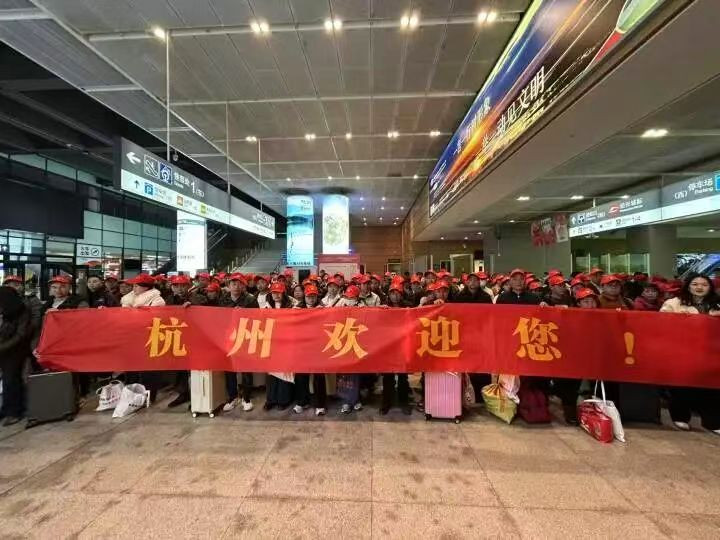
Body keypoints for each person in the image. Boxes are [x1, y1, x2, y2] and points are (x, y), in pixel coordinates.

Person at [660, 273, 720, 434]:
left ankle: (712, 422)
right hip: (682, 351)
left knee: (713, 387)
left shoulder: (717, 304)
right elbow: (661, 322)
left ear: (710, 287)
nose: (699, 287)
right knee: (682, 385)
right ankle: (680, 416)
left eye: (704, 284)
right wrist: (677, 320)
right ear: (688, 286)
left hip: (711, 352)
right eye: (695, 284)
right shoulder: (674, 303)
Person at [165, 274, 206, 408]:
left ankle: (197, 396)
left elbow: (206, 312)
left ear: (188, 286)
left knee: (195, 368)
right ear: (172, 287)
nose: (179, 288)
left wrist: (192, 307)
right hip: (176, 336)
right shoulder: (169, 300)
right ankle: (183, 393)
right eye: (176, 286)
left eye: (182, 286)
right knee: (179, 367)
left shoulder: (198, 298)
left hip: (194, 337)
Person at [220, 273, 258, 413]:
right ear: (228, 286)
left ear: (243, 286)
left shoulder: (250, 300)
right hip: (228, 338)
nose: (236, 286)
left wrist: (245, 314)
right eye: (233, 284)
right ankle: (232, 397)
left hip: (245, 338)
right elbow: (216, 317)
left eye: (239, 284)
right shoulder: (223, 300)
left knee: (246, 369)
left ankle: (246, 398)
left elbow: (258, 318)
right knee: (229, 369)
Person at [292, 284, 328, 416]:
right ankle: (302, 402)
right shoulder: (297, 308)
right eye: (309, 296)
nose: (311, 299)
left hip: (318, 347)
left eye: (314, 296)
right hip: (302, 347)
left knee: (319, 377)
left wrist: (323, 312)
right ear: (304, 296)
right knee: (301, 376)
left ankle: (320, 404)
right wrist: (293, 314)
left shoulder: (324, 308)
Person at [380, 282, 412, 415]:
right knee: (388, 376)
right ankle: (386, 402)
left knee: (403, 376)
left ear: (401, 294)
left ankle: (404, 402)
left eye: (397, 293)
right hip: (388, 345)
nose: (395, 296)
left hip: (403, 345)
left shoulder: (408, 306)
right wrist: (380, 311)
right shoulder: (384, 306)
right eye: (392, 293)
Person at [0, 286, 30, 426]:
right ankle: (6, 409)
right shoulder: (3, 311)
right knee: (6, 381)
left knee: (11, 380)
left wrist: (3, 347)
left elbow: (20, 334)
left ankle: (14, 411)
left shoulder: (21, 311)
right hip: (4, 349)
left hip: (15, 351)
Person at [262, 282, 295, 410]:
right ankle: (270, 399)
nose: (276, 295)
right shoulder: (266, 307)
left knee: (284, 371)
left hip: (286, 342)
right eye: (274, 293)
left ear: (284, 293)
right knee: (271, 372)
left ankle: (283, 399)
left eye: (279, 293)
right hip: (270, 342)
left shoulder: (292, 306)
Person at [335, 285, 364, 413]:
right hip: (342, 341)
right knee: (343, 374)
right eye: (347, 297)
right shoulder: (340, 303)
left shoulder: (362, 305)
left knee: (355, 373)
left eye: (352, 298)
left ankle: (356, 399)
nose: (349, 299)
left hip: (356, 342)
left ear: (357, 297)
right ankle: (346, 401)